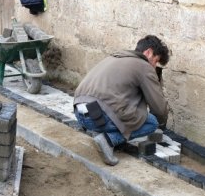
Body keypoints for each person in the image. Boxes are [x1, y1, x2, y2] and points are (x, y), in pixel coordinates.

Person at [73, 35, 170, 166]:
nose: (154, 67)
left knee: (120, 108)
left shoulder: (114, 57)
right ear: (148, 52)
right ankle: (107, 140)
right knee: (151, 122)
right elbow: (159, 108)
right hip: (99, 117)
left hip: (80, 114)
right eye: (156, 61)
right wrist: (162, 124)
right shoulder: (143, 66)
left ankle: (98, 131)